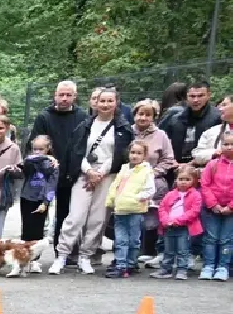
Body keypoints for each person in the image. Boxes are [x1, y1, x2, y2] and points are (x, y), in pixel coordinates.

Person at [52, 87, 133, 275]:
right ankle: (62, 255)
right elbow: (75, 151)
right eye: (101, 101)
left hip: (108, 177)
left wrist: (101, 172)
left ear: (116, 103)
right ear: (95, 103)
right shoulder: (84, 126)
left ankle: (86, 256)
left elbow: (121, 154)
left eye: (109, 101)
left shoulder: (122, 128)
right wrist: (89, 171)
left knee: (97, 219)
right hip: (84, 174)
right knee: (76, 217)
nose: (105, 105)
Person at [29, 80, 84, 240]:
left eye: (68, 95)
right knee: (38, 212)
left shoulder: (82, 117)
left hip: (70, 173)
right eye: (61, 95)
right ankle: (33, 254)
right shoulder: (44, 117)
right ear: (55, 95)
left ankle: (62, 253)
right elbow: (35, 144)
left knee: (65, 214)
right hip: (45, 173)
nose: (64, 98)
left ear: (75, 96)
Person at [129, 100, 175, 263]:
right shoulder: (127, 132)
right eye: (140, 113)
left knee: (153, 218)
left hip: (154, 181)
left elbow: (168, 159)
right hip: (130, 181)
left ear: (154, 117)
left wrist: (152, 173)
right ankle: (131, 254)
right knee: (131, 217)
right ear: (134, 114)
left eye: (148, 114)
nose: (143, 118)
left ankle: (153, 250)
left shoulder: (161, 135)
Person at [104, 139, 154, 277]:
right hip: (120, 209)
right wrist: (112, 200)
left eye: (139, 153)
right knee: (120, 239)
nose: (135, 156)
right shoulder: (124, 168)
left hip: (135, 210)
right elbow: (116, 185)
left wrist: (136, 198)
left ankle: (131, 263)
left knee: (133, 239)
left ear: (144, 156)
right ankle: (121, 265)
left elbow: (150, 189)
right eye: (132, 152)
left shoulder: (146, 170)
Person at [157, 166, 203, 280]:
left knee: (183, 250)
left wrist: (178, 221)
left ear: (193, 181)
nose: (183, 182)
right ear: (176, 180)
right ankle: (166, 269)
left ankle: (182, 269)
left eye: (187, 179)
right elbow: (162, 208)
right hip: (169, 227)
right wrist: (166, 221)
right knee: (168, 249)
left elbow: (194, 211)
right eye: (181, 179)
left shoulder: (196, 195)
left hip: (184, 227)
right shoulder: (170, 194)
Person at [201, 128, 233, 281]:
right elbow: (205, 185)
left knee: (227, 239)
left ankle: (223, 266)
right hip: (212, 209)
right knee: (211, 238)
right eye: (226, 144)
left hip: (230, 211)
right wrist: (213, 204)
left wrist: (230, 207)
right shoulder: (212, 165)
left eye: (232, 144)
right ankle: (208, 265)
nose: (229, 147)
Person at [163, 81, 221, 164]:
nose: (196, 100)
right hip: (176, 165)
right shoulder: (175, 119)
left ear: (208, 96)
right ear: (186, 97)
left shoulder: (218, 118)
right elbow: (165, 143)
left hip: (206, 165)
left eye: (200, 96)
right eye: (192, 96)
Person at [18, 135, 60, 249]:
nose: (37, 152)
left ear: (48, 148)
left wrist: (46, 202)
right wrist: (45, 158)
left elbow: (52, 185)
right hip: (26, 197)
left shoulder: (53, 165)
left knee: (37, 230)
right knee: (26, 228)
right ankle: (24, 255)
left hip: (41, 200)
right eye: (35, 149)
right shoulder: (30, 161)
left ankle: (34, 258)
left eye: (41, 149)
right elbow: (26, 162)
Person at [191, 94, 233, 165]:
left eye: (224, 105)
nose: (220, 109)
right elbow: (196, 155)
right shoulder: (212, 131)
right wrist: (215, 153)